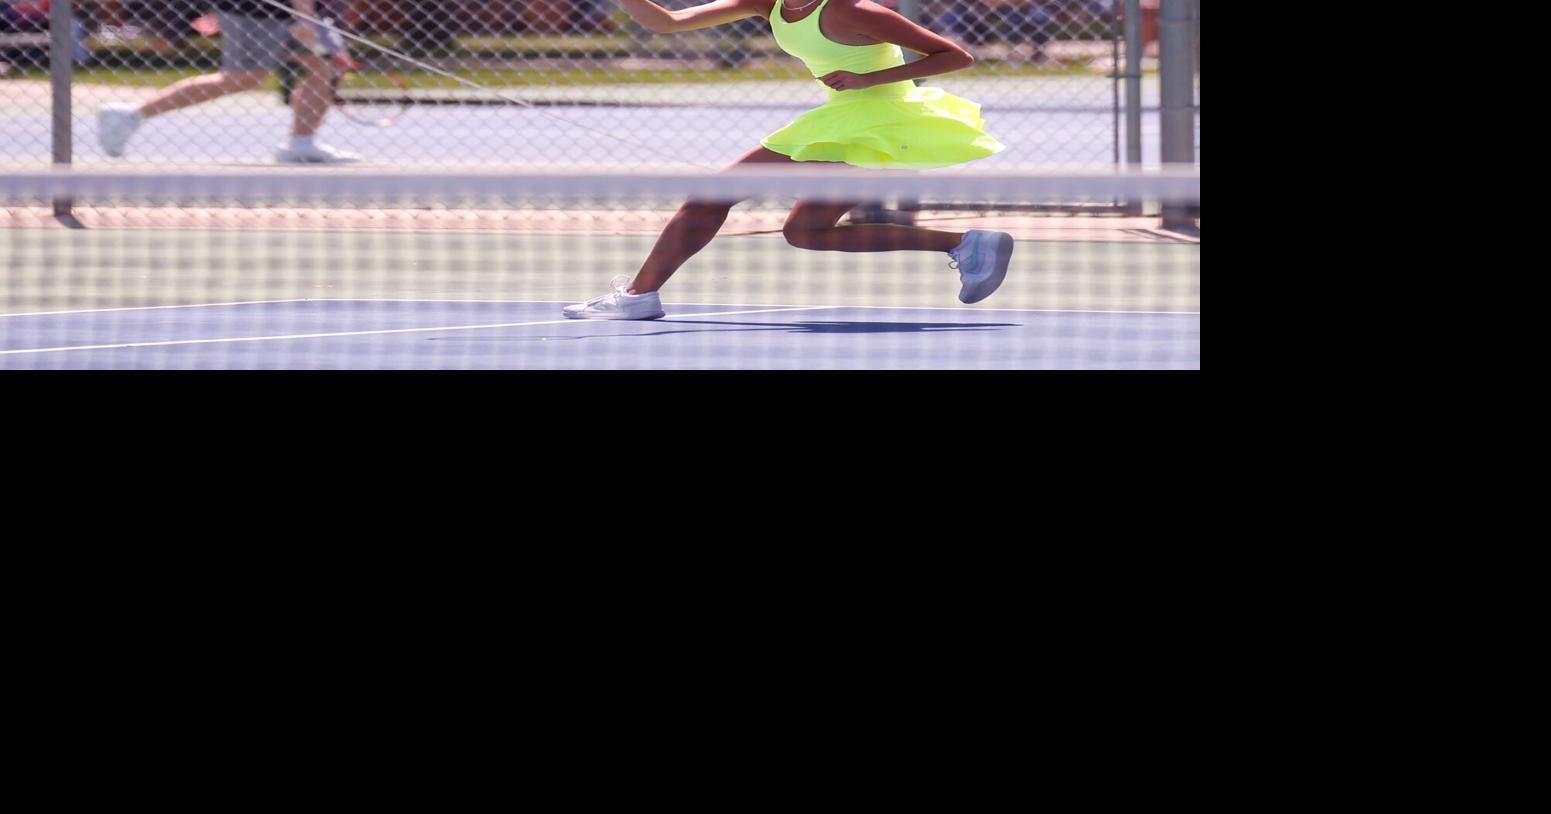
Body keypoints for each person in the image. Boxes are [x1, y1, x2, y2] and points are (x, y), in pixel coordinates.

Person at [564, 0, 1012, 320]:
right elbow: (667, 21)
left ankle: (640, 296)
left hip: (881, 124)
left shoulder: (853, 10)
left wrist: (868, 78)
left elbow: (956, 57)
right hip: (841, 122)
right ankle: (965, 243)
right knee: (805, 232)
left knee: (711, 196)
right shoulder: (769, 5)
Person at [96, 0, 362, 163]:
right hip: (257, 11)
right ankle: (129, 116)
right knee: (242, 79)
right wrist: (306, 19)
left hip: (292, 11)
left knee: (325, 65)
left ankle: (301, 143)